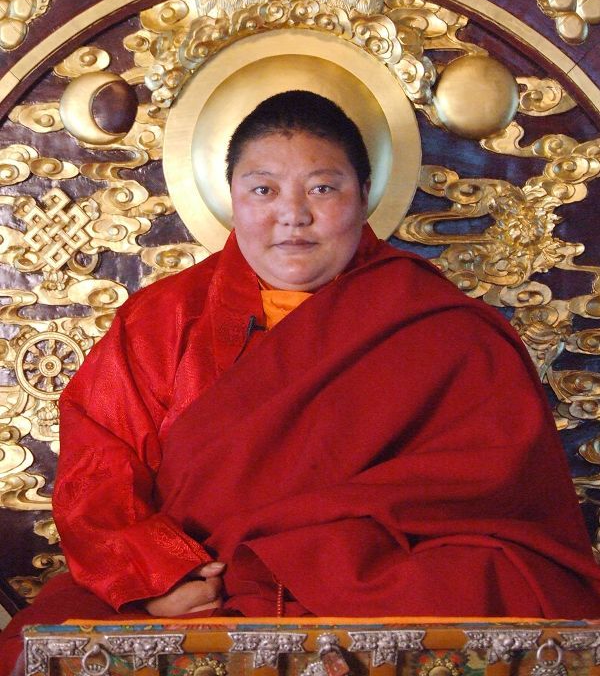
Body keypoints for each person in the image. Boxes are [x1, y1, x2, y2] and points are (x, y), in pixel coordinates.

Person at [2, 91, 600, 674]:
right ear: (231, 197)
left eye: (322, 188)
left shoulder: (439, 326)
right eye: (263, 190)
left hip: (370, 580)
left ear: (364, 194)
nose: (293, 215)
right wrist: (156, 575)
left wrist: (330, 555)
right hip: (198, 584)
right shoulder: (162, 320)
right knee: (33, 643)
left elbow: (500, 491)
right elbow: (98, 470)